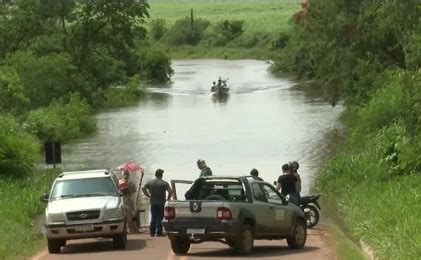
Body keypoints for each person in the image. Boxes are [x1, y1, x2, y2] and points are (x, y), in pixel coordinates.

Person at [142, 169, 173, 237]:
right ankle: (159, 232)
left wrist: (148, 195)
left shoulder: (150, 182)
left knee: (153, 217)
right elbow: (170, 191)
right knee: (160, 217)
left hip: (153, 202)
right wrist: (168, 199)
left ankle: (152, 232)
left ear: (155, 174)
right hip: (161, 203)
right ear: (161, 175)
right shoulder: (164, 183)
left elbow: (143, 188)